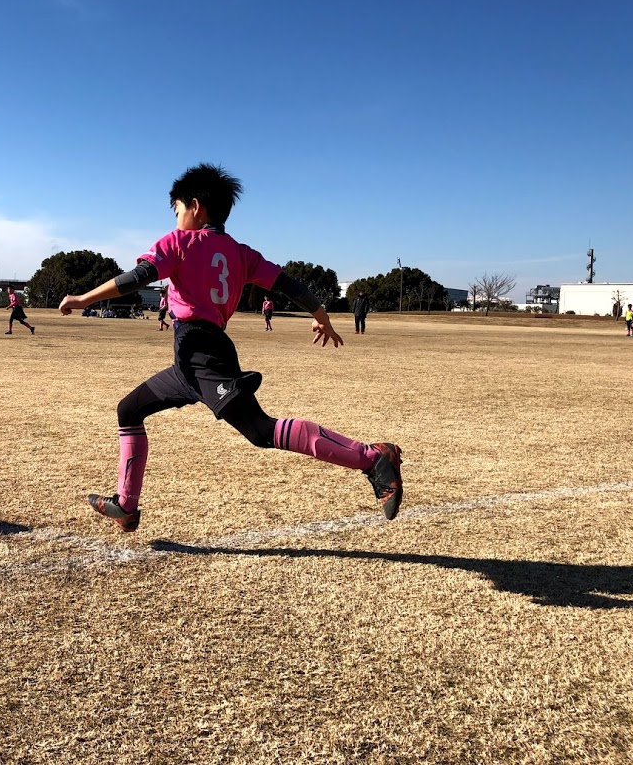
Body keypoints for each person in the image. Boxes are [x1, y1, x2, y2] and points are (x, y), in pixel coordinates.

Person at [58, 163, 403, 532]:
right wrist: (319, 312)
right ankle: (126, 505)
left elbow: (138, 277)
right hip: (188, 364)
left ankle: (372, 458)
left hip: (203, 355)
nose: (176, 220)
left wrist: (82, 299)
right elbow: (289, 285)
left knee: (261, 431)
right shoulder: (241, 253)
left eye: (176, 211)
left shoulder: (179, 243)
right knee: (129, 409)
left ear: (194, 206)